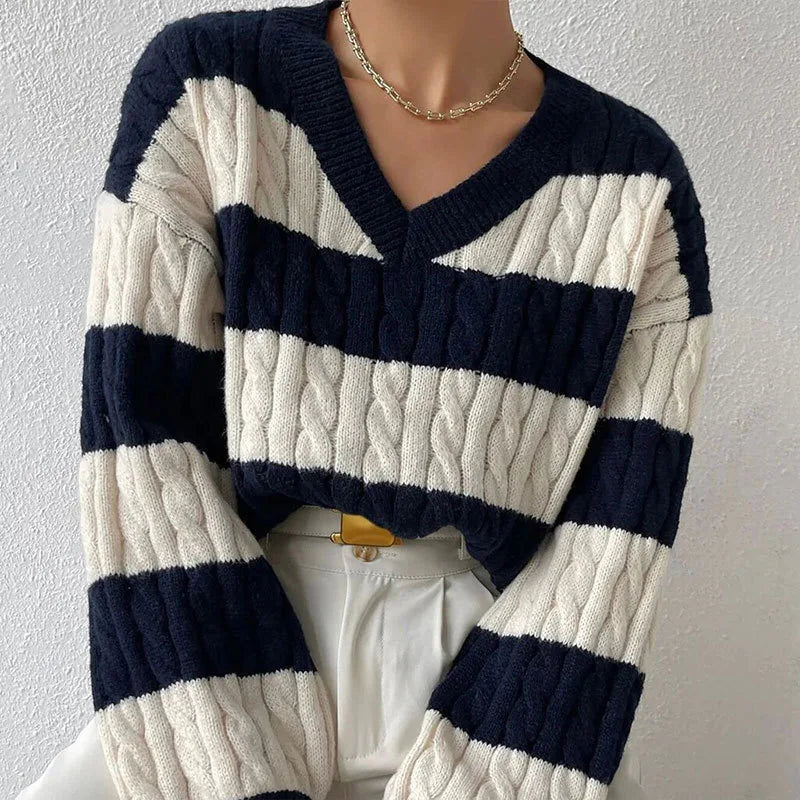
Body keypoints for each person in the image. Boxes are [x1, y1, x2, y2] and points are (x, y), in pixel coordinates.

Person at [17, 0, 713, 798]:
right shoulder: (210, 91)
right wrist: (222, 767)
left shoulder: (635, 186)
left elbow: (611, 553)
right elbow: (142, 459)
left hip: (505, 711)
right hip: (210, 668)